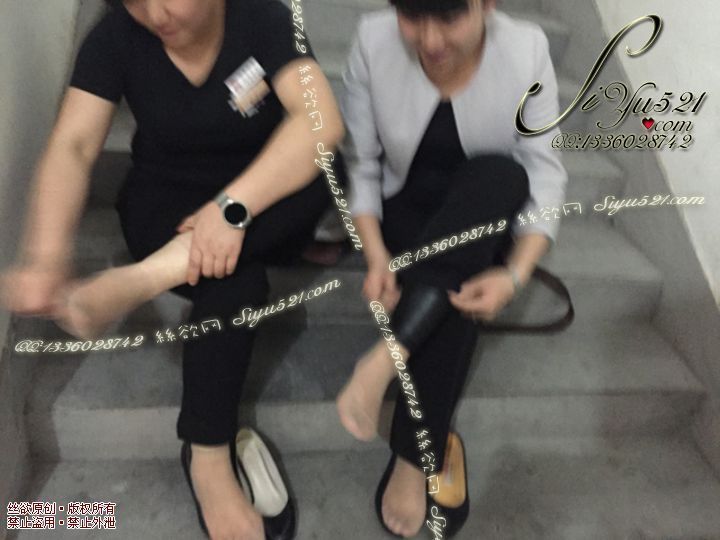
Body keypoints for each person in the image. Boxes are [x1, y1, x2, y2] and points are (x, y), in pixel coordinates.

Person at [0, 0, 344, 538]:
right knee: (234, 279)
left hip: (258, 189)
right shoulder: (114, 37)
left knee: (326, 166)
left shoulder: (265, 18)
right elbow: (73, 145)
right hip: (165, 199)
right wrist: (45, 256)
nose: (155, 13)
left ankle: (145, 278)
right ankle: (207, 456)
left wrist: (230, 211)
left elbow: (319, 122)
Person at [335, 0, 567, 537]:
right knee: (457, 284)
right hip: (406, 216)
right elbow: (362, 165)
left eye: (449, 17)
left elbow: (545, 174)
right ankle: (417, 454)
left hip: (480, 215)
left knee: (502, 177)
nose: (431, 40)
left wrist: (515, 275)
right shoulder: (372, 39)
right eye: (413, 16)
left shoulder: (526, 50)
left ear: (487, 4)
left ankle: (385, 362)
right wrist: (375, 254)